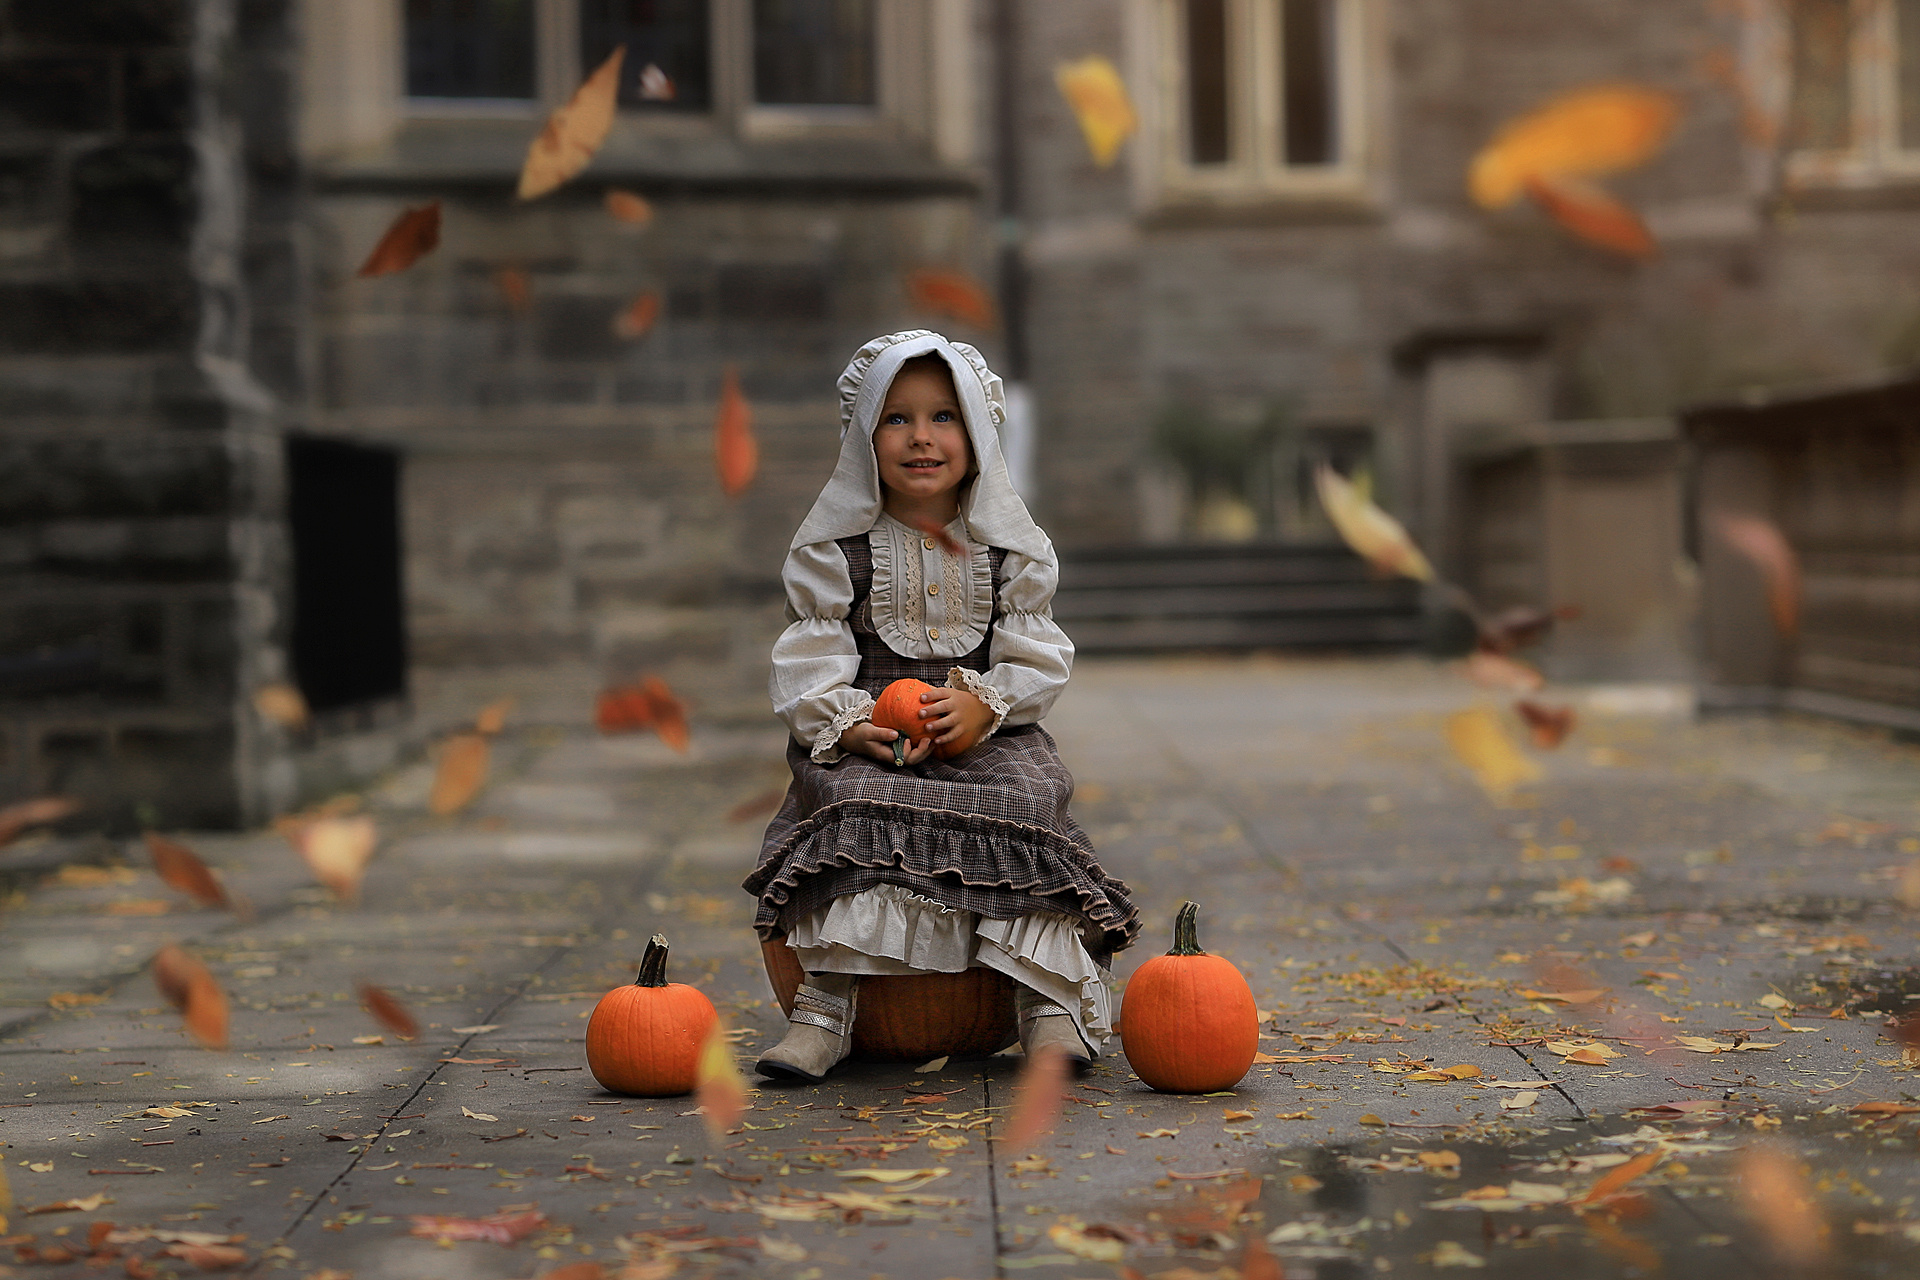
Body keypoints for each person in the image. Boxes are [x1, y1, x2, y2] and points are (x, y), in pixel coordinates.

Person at [744, 330, 1140, 1082]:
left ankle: (1043, 1003)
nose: (921, 437)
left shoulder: (1004, 550)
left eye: (943, 417)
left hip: (987, 735)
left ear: (979, 431)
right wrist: (849, 722)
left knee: (1028, 799)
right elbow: (813, 653)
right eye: (897, 419)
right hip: (876, 738)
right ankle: (825, 1007)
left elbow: (1037, 652)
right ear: (864, 433)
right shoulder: (842, 548)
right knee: (854, 804)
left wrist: (986, 704)